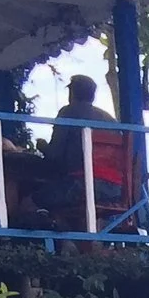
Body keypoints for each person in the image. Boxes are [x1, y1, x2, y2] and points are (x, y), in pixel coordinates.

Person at [53, 73, 130, 234]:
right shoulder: (110, 120)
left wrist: (41, 146)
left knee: (32, 202)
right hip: (115, 189)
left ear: (72, 93)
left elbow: (55, 155)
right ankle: (88, 243)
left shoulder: (68, 112)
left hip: (80, 186)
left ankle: (63, 243)